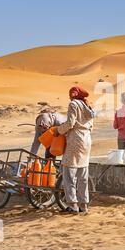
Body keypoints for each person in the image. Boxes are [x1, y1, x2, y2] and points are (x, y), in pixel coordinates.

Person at [54, 86, 95, 214]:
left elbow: (70, 123)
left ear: (73, 95)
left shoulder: (73, 104)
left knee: (69, 173)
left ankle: (72, 205)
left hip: (75, 141)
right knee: (82, 174)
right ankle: (84, 205)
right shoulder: (88, 107)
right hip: (86, 140)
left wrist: (58, 130)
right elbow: (91, 126)